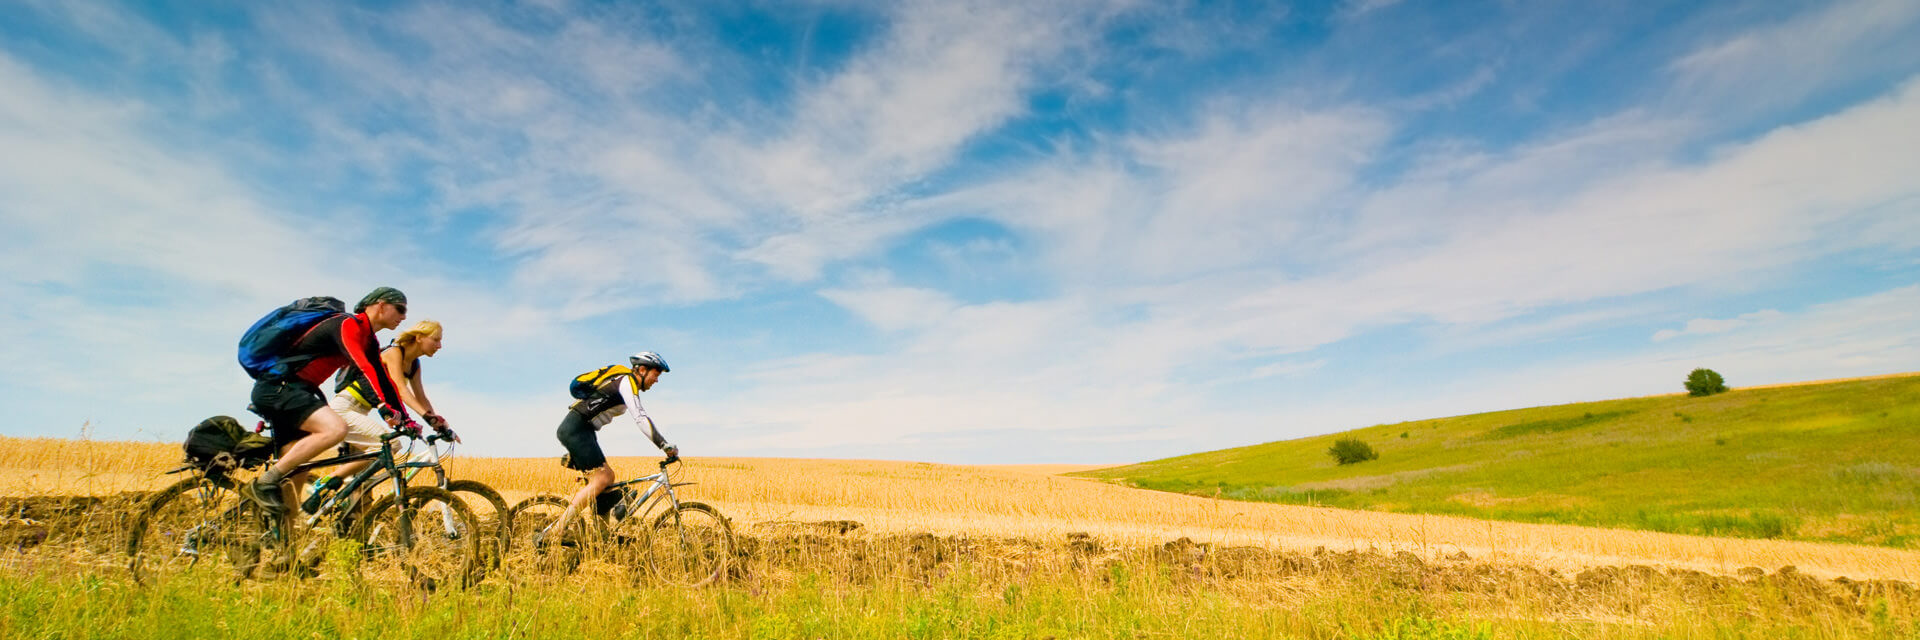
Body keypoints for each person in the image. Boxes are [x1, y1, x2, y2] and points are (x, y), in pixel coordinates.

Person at [244, 287, 418, 517]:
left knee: (295, 479)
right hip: (280, 388)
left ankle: (283, 547)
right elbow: (365, 368)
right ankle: (264, 484)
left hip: (298, 392)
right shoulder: (347, 324)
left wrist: (404, 418)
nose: (404, 316)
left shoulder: (369, 340)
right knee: (335, 429)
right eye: (401, 309)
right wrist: (384, 408)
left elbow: (384, 380)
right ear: (381, 305)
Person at [308, 319, 454, 509]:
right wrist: (423, 418)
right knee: (391, 445)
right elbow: (400, 389)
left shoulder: (414, 364)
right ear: (419, 337)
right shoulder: (394, 352)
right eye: (436, 339)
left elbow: (421, 398)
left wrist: (439, 423)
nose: (439, 346)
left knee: (367, 472)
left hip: (361, 410)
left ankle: (349, 517)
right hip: (345, 407)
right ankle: (327, 483)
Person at [535, 351, 676, 546]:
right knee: (603, 478)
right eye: (656, 375)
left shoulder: (623, 382)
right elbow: (640, 417)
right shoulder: (627, 382)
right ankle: (554, 533)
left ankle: (602, 536)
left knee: (606, 481)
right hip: (577, 429)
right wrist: (664, 444)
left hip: (582, 430)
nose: (656, 381)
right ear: (642, 370)